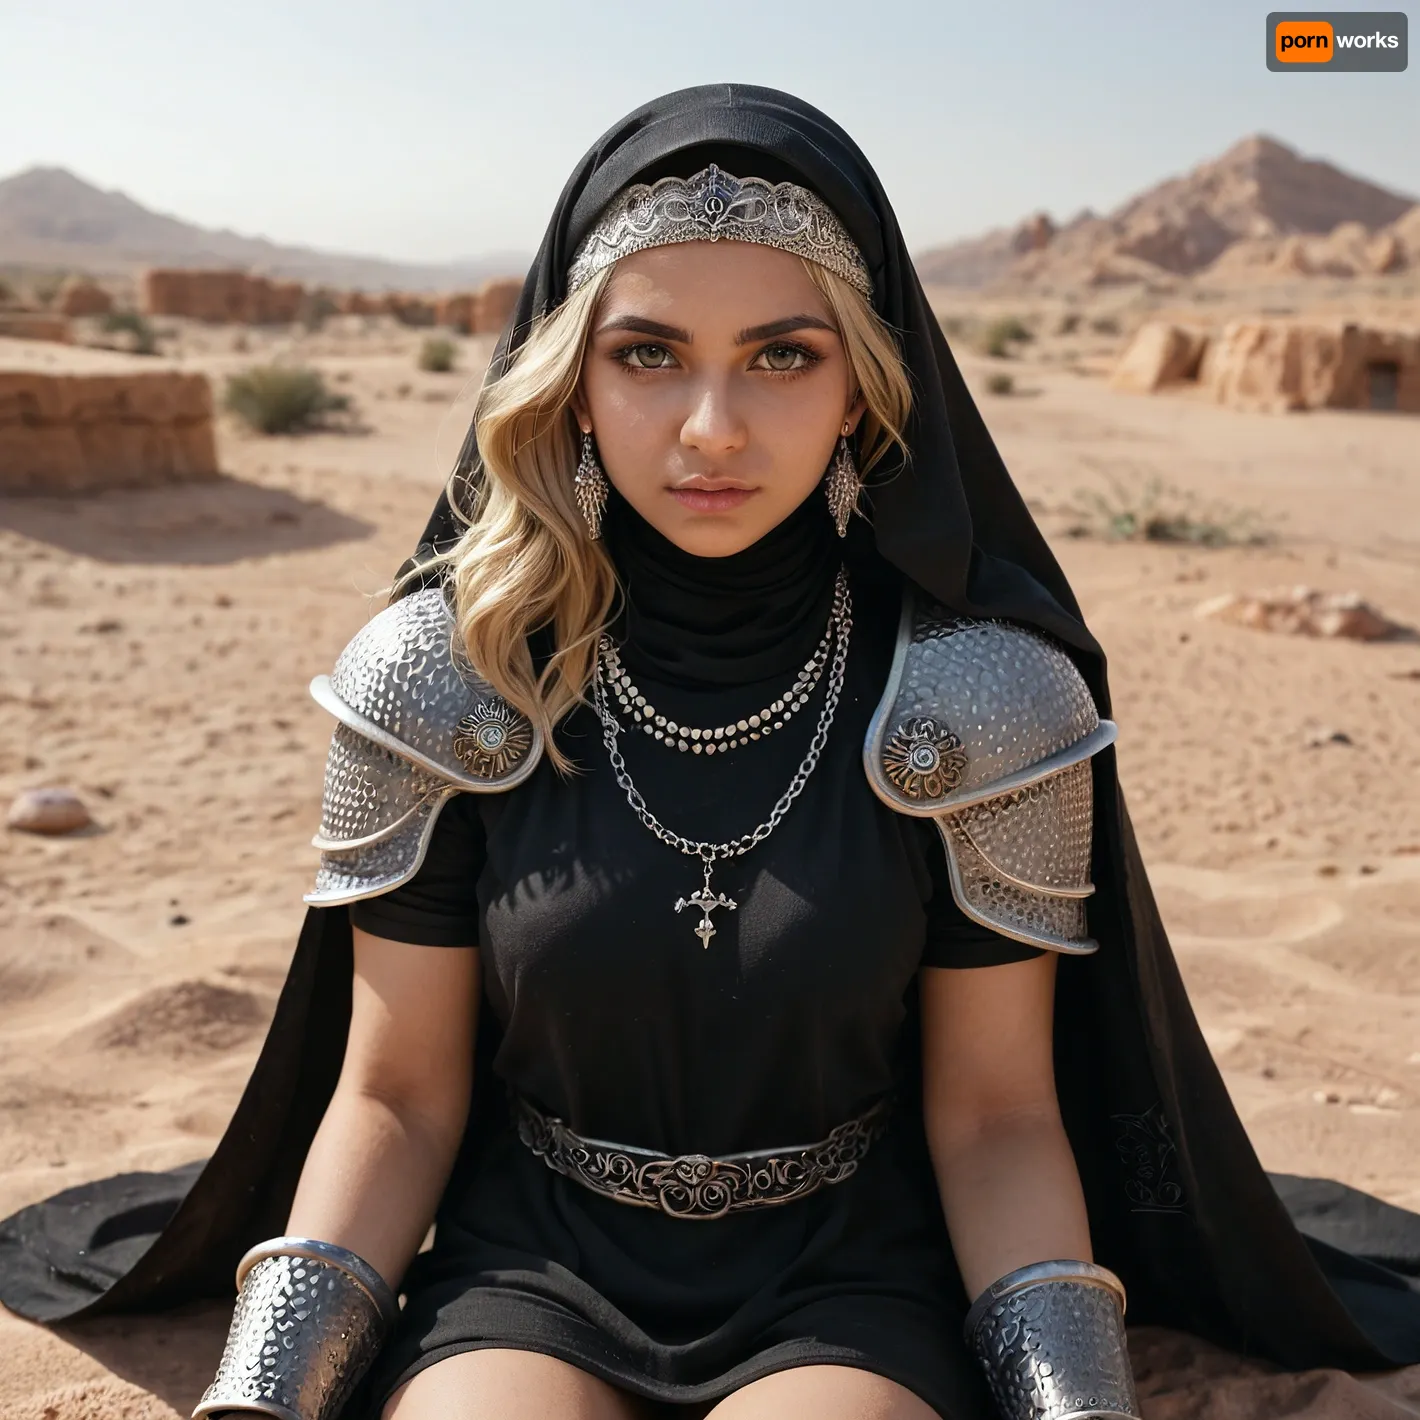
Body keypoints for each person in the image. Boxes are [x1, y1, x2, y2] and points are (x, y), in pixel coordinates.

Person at [1, 84, 1418, 1420]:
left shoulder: (984, 697)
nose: (711, 428)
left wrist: (1077, 1399)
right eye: (648, 354)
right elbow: (396, 1094)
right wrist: (266, 1387)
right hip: (528, 1257)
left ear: (863, 388)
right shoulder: (449, 675)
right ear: (570, 380)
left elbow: (995, 1119)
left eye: (783, 357)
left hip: (850, 1272)